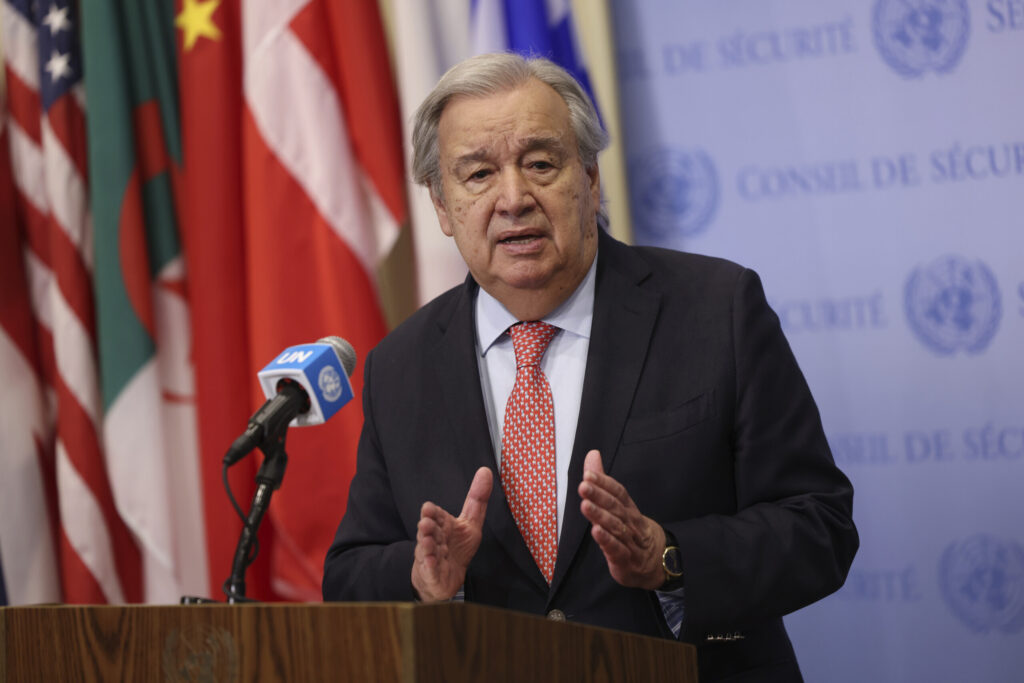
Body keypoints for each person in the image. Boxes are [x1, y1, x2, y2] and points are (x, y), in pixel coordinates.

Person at [322, 52, 858, 683]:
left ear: (591, 179)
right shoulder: (400, 365)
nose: (513, 198)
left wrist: (669, 556)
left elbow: (819, 526)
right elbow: (349, 573)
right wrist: (422, 579)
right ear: (442, 206)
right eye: (479, 174)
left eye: (540, 164)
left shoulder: (717, 311)